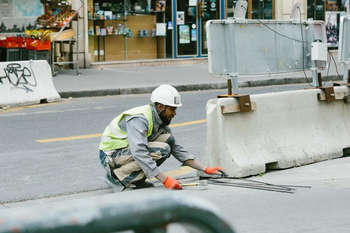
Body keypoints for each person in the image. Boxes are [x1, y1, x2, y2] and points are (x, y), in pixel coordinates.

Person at [98, 84, 223, 191]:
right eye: (172, 109)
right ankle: (117, 178)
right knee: (162, 150)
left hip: (125, 151)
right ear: (160, 107)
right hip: (111, 155)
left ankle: (137, 180)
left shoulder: (159, 119)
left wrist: (205, 169)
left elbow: (176, 148)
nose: (174, 113)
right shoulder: (140, 119)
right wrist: (165, 180)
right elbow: (139, 152)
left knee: (168, 140)